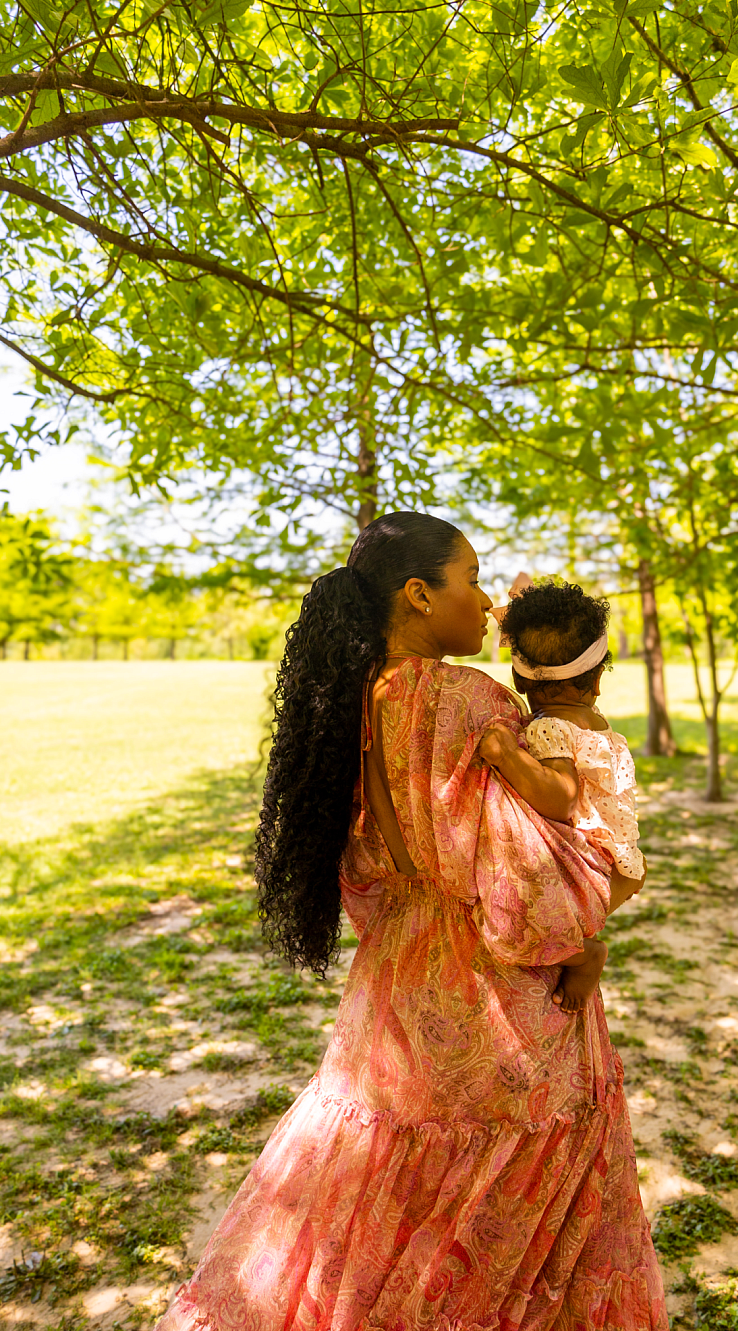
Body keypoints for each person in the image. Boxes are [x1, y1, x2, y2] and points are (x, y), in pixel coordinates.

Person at [156, 512, 668, 1331]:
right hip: (497, 996)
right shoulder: (468, 700)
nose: (486, 599)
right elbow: (525, 878)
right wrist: (588, 938)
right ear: (421, 594)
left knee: (381, 1184)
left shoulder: (351, 698)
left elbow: (368, 864)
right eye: (471, 579)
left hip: (395, 980)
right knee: (500, 1207)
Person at [479, 579, 646, 1015]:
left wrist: (506, 757)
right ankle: (581, 945)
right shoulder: (595, 719)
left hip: (591, 862)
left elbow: (561, 799)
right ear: (595, 681)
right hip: (622, 857)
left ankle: (585, 955)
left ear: (518, 678)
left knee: (516, 923)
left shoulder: (547, 727)